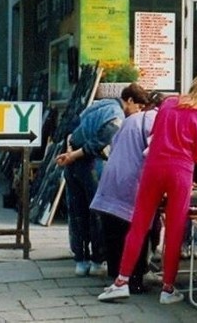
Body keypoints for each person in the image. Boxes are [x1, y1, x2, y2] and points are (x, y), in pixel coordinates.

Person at [98, 74, 197, 305]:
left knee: (139, 223)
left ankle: (121, 282)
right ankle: (168, 289)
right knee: (174, 230)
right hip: (180, 171)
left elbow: (154, 135)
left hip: (153, 166)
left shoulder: (169, 102)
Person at [56, 83, 149, 277]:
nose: (138, 112)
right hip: (91, 165)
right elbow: (97, 144)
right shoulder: (117, 116)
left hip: (72, 161)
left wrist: (70, 151)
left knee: (76, 211)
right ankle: (97, 259)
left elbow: (74, 127)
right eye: (139, 107)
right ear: (130, 100)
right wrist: (75, 155)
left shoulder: (99, 104)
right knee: (97, 212)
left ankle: (80, 259)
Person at [90, 90, 164, 293]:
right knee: (136, 233)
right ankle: (134, 280)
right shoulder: (156, 121)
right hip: (133, 183)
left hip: (111, 178)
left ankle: (115, 275)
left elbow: (113, 146)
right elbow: (155, 155)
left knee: (114, 231)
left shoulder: (132, 119)